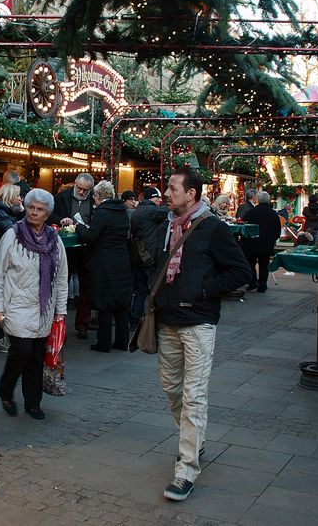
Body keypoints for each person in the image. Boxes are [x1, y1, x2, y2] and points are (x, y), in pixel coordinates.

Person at [153, 168, 252, 501]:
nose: (166, 193)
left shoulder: (212, 228)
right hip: (167, 321)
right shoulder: (167, 226)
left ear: (191, 194)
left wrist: (203, 291)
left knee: (194, 396)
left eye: (172, 188)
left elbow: (241, 272)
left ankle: (186, 470)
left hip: (198, 323)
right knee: (172, 390)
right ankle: (194, 438)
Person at [0, 188, 69, 420]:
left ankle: (33, 403)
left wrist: (61, 310)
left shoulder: (55, 240)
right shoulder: (13, 235)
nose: (34, 212)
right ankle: (6, 390)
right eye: (31, 207)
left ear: (47, 214)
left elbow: (62, 277)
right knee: (21, 351)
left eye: (40, 209)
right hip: (16, 306)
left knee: (36, 357)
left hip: (44, 309)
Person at [76, 181, 133, 352]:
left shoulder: (102, 213)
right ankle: (122, 342)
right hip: (122, 260)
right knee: (121, 305)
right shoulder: (122, 212)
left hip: (104, 262)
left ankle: (104, 342)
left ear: (99, 196)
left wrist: (79, 226)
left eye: (94, 195)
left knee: (105, 303)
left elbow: (91, 237)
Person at [50, 172, 96, 338]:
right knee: (61, 283)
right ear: (75, 184)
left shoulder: (94, 201)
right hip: (66, 247)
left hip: (85, 248)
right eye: (79, 188)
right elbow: (51, 215)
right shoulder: (62, 197)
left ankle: (82, 324)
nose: (82, 192)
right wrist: (62, 219)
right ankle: (56, 322)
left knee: (86, 286)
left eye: (86, 190)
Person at [0, 184, 23, 352]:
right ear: (10, 197)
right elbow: (15, 232)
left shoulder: (4, 213)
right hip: (3, 263)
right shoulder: (1, 215)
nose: (20, 199)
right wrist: (21, 213)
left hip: (7, 261)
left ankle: (2, 336)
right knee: (1, 300)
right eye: (18, 196)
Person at [128, 186, 167, 328]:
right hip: (149, 256)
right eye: (158, 198)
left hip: (138, 254)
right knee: (153, 289)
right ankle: (153, 321)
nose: (159, 201)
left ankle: (134, 319)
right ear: (152, 198)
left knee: (140, 290)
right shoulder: (152, 211)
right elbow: (170, 212)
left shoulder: (137, 210)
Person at [242, 191, 283, 293]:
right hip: (267, 243)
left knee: (250, 263)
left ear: (258, 200)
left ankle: (252, 282)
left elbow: (245, 226)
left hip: (252, 242)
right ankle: (262, 285)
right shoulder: (273, 214)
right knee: (264, 265)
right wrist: (274, 239)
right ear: (268, 200)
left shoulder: (251, 212)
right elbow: (278, 229)